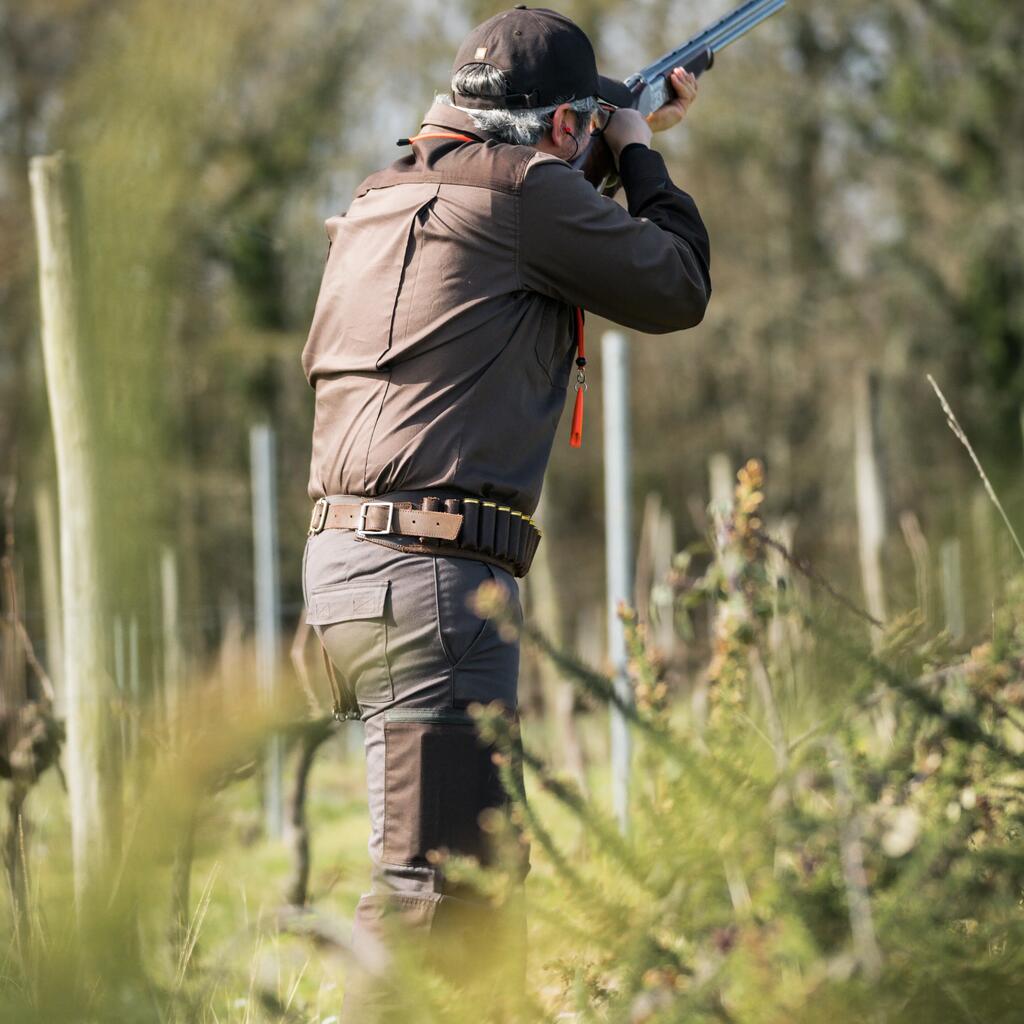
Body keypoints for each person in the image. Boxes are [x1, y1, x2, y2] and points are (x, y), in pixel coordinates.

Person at [300, 5, 710, 1018]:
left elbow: (500, 247)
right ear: (566, 128)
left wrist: (597, 155)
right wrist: (644, 155)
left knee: (470, 887)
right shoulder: (526, 194)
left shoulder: (382, 194)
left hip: (351, 577)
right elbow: (675, 283)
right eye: (584, 129)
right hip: (430, 580)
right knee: (432, 893)